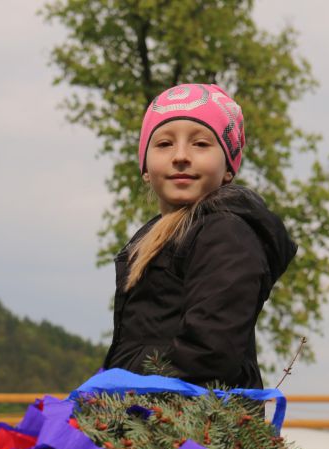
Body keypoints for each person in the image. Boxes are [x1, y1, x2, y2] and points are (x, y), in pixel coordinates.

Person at [103, 83, 297, 390]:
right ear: (145, 167)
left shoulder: (226, 234)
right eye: (164, 144)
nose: (181, 156)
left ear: (228, 168)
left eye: (201, 144)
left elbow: (210, 352)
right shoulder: (152, 238)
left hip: (190, 414)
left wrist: (130, 393)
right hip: (149, 409)